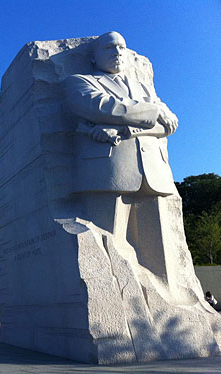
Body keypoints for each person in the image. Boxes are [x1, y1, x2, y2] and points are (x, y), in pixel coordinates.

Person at [65, 31, 179, 285]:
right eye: (109, 47)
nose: (117, 52)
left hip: (154, 173)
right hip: (108, 173)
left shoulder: (144, 88)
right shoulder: (78, 82)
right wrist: (154, 110)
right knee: (109, 253)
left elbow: (169, 126)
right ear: (93, 57)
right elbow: (104, 107)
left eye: (121, 48)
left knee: (162, 264)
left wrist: (126, 129)